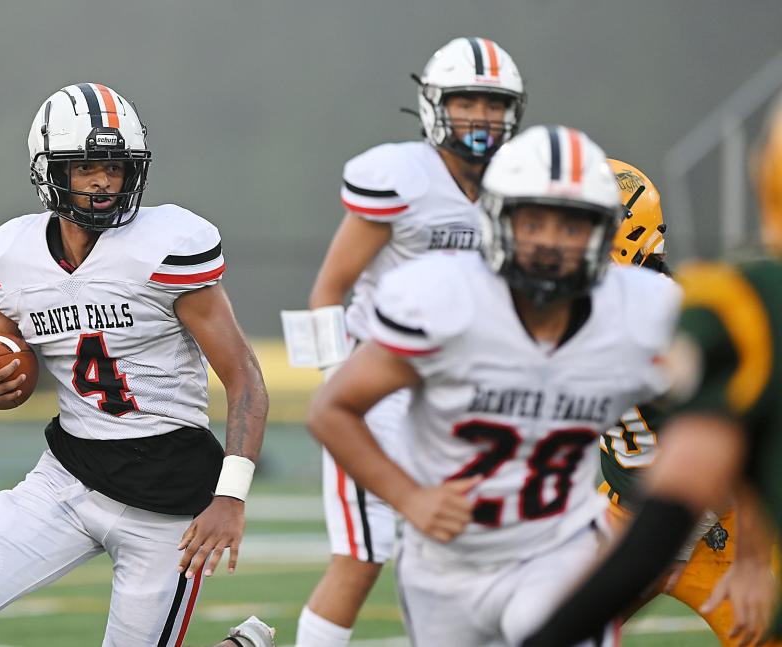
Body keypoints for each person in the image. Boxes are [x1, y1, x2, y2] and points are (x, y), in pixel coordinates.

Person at [0, 83, 270, 647]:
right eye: (85, 165)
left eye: (115, 166)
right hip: (65, 478)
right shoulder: (10, 257)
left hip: (169, 501)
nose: (102, 181)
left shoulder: (166, 246)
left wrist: (230, 496)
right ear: (50, 169)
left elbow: (245, 379)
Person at [309, 124, 681, 646]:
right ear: (498, 219)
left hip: (558, 547)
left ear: (602, 232)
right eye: (536, 221)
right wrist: (409, 497)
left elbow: (735, 418)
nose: (552, 242)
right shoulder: (445, 299)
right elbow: (332, 409)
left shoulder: (643, 309)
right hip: (448, 562)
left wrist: (747, 551)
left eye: (572, 225)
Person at [522, 98, 782, 647]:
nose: (560, 243)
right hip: (626, 515)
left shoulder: (674, 317)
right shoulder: (563, 310)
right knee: (538, 629)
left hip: (722, 527)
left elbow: (741, 439)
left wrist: (758, 551)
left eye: (580, 227)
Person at [296, 37, 526, 647]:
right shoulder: (402, 175)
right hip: (384, 393)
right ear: (434, 104)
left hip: (468, 396)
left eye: (493, 104)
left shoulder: (519, 184)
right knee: (362, 556)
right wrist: (336, 385)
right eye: (467, 101)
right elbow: (327, 291)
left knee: (484, 554)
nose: (480, 117)